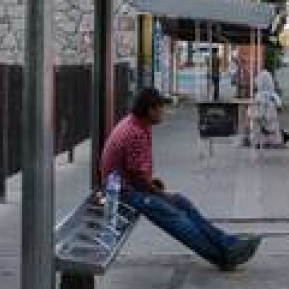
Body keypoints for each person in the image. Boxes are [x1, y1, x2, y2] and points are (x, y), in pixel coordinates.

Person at [99, 87, 261, 270]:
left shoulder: (136, 124)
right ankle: (222, 257)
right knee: (175, 216)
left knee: (182, 203)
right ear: (150, 109)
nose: (164, 113)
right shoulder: (136, 133)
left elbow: (136, 172)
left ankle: (227, 243)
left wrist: (156, 187)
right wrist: (160, 193)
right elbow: (137, 178)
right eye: (161, 108)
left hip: (129, 186)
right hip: (123, 193)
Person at [252, 67, 289, 146]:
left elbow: (256, 104)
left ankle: (260, 141)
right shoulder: (273, 95)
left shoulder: (259, 95)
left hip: (260, 116)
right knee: (272, 129)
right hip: (271, 116)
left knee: (260, 129)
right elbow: (279, 105)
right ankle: (273, 141)